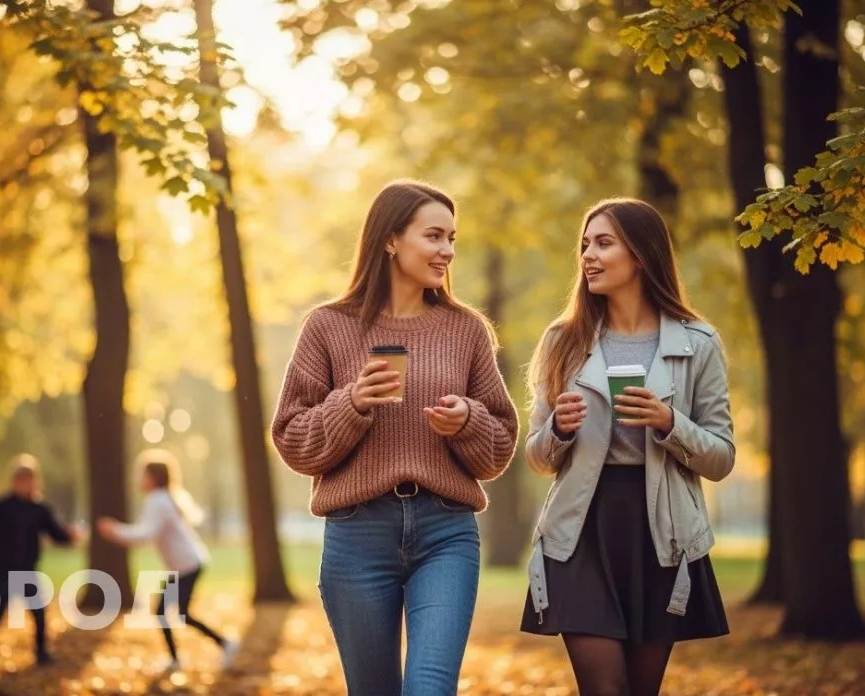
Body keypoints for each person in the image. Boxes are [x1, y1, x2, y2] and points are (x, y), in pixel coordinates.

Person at [271, 179, 518, 694]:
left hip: (445, 532)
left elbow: (499, 445)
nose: (447, 251)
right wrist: (351, 404)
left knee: (429, 687)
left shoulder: (465, 329)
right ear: (390, 239)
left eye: (452, 239)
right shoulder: (327, 327)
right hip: (357, 534)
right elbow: (292, 437)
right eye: (434, 236)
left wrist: (467, 421)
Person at [519, 198, 733, 696]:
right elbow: (535, 454)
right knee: (604, 687)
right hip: (580, 529)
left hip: (660, 531)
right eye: (585, 245)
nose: (588, 255)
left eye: (603, 243)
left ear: (640, 254)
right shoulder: (562, 340)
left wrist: (669, 422)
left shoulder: (698, 343)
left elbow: (721, 457)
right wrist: (559, 431)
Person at [97, 449, 238, 673]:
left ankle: (224, 644)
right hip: (183, 565)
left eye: (142, 474)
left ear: (153, 478)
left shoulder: (158, 500)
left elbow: (146, 535)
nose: (138, 479)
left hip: (187, 565)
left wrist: (115, 531)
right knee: (166, 612)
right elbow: (148, 532)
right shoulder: (162, 499)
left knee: (177, 613)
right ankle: (186, 656)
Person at [0, 454, 79, 669]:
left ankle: (41, 654)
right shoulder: (4, 505)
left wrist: (70, 536)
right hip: (3, 572)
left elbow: (56, 533)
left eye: (30, 480)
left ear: (35, 482)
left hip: (27, 572)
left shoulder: (39, 509)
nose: (26, 484)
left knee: (39, 614)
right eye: (22, 480)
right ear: (14, 482)